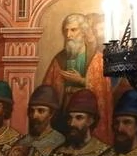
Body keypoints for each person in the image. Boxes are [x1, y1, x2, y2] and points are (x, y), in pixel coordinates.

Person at [43, 13, 113, 143]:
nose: (68, 35)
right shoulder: (59, 59)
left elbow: (103, 90)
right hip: (65, 112)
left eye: (73, 30)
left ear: (84, 32)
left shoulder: (97, 59)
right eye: (66, 30)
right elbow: (48, 90)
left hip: (87, 113)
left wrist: (81, 81)